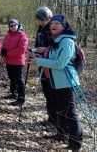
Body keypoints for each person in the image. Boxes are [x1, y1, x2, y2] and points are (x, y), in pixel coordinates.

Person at [30, 14, 83, 151]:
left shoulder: (67, 41)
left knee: (69, 113)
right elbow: (54, 56)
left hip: (66, 82)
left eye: (57, 23)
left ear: (64, 26)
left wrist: (39, 61)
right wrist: (44, 52)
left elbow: (60, 63)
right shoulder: (56, 41)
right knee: (60, 110)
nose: (53, 25)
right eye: (52, 22)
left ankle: (75, 143)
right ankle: (62, 134)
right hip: (55, 82)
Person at [33, 6, 55, 126]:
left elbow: (59, 48)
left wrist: (46, 49)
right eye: (39, 19)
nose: (40, 22)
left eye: (42, 19)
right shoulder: (40, 29)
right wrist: (34, 52)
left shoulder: (54, 29)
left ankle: (57, 121)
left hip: (52, 65)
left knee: (53, 93)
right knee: (47, 92)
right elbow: (38, 43)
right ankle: (51, 118)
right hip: (42, 63)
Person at [1, 19, 28, 106]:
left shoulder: (22, 35)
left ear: (18, 25)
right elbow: (4, 46)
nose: (13, 27)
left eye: (14, 25)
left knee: (19, 80)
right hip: (9, 61)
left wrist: (8, 53)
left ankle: (21, 98)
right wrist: (3, 51)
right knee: (12, 78)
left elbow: (22, 49)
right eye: (11, 26)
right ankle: (13, 93)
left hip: (18, 61)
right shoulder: (7, 36)